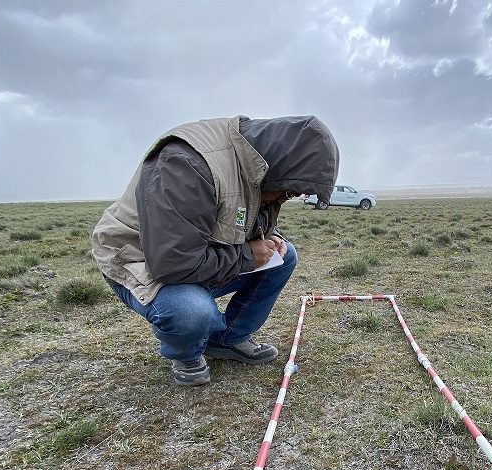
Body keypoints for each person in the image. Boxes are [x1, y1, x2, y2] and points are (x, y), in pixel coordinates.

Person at [92, 115, 339, 385]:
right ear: (278, 171)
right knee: (192, 311)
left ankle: (227, 339)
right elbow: (172, 264)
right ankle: (186, 352)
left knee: (283, 256)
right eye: (288, 192)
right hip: (139, 260)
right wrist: (248, 255)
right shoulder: (187, 165)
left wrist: (269, 238)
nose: (284, 199)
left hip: (194, 257)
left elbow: (237, 216)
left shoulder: (258, 169)